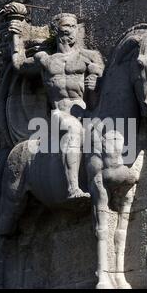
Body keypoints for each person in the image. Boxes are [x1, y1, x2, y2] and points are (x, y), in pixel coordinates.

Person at [9, 13, 105, 199]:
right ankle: (73, 188)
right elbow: (19, 65)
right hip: (60, 113)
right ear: (56, 30)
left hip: (85, 110)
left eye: (73, 26)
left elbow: (105, 79)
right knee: (74, 129)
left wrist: (96, 82)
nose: (70, 30)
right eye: (66, 26)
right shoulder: (45, 60)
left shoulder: (89, 57)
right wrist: (16, 35)